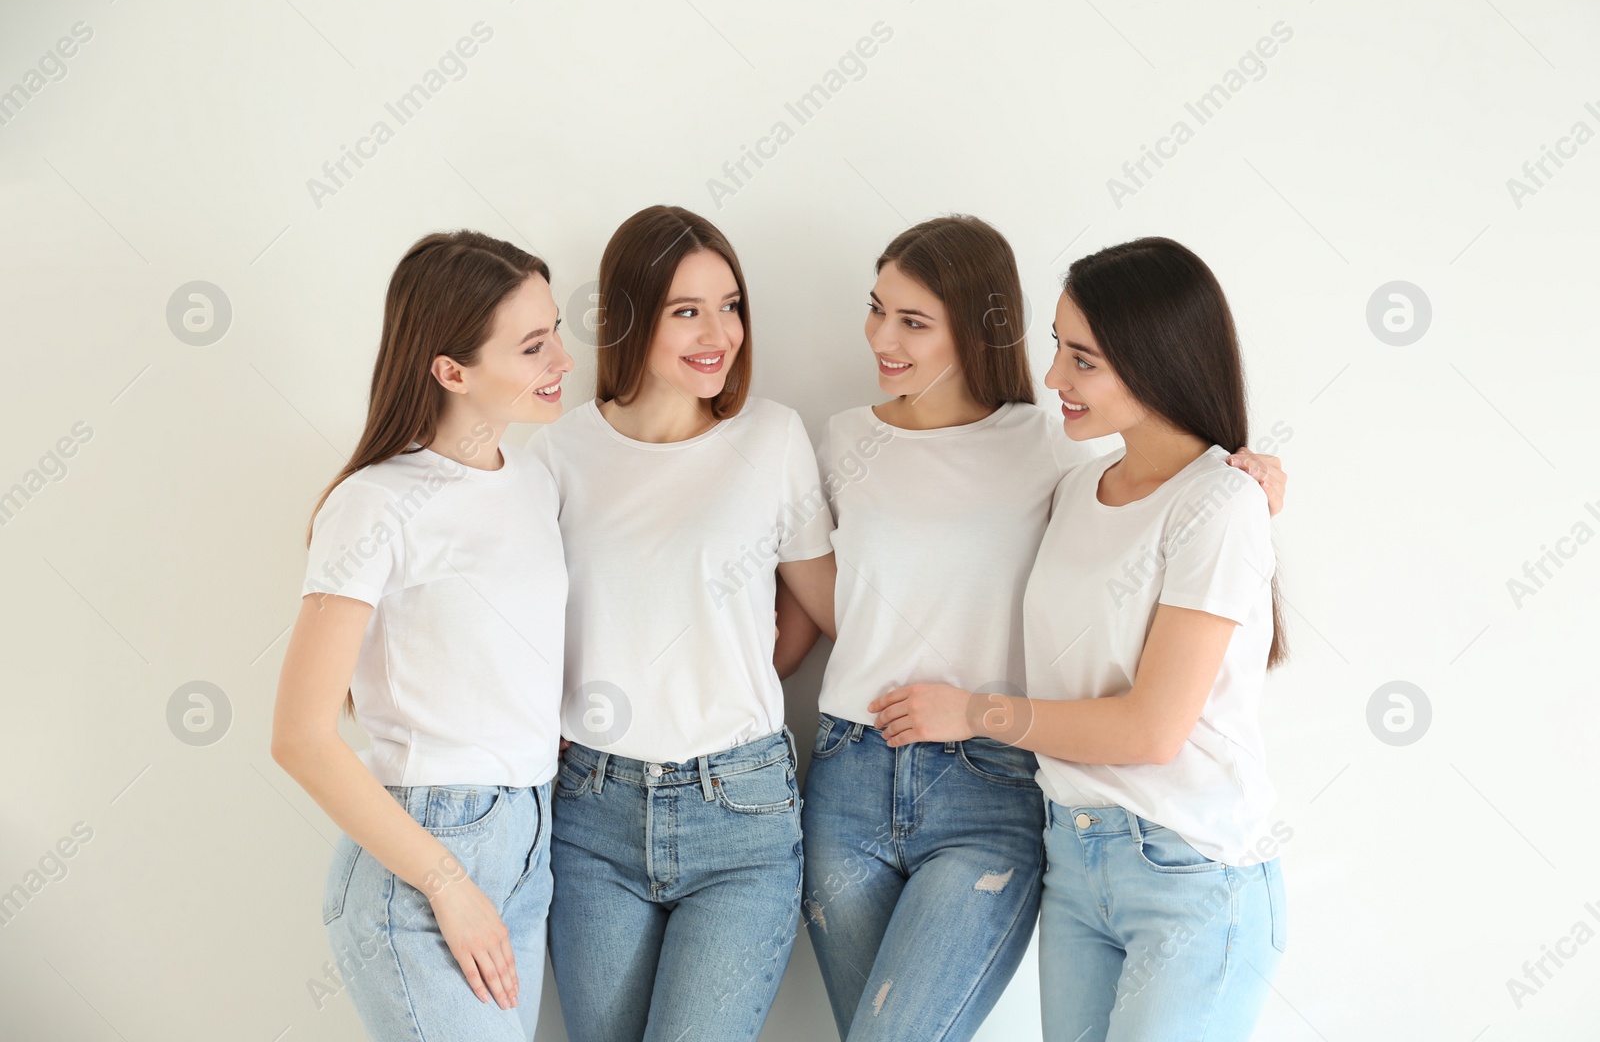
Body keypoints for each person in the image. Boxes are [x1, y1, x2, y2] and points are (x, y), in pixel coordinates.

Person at [868, 236, 1289, 1041]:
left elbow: (1149, 730)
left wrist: (976, 714)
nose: (1055, 377)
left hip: (1192, 875)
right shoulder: (1072, 491)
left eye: (1083, 360)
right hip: (1075, 859)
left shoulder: (1220, 503)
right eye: (1057, 346)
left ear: (1159, 361)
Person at [530, 205, 836, 1042]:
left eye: (730, 305)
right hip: (593, 811)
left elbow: (821, 604)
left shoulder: (771, 439)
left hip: (740, 813)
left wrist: (728, 671)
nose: (718, 333)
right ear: (628, 319)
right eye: (686, 310)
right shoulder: (558, 454)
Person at [271, 230, 573, 1040]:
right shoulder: (374, 504)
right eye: (534, 345)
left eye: (557, 334)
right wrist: (447, 883)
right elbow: (300, 738)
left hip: (528, 841)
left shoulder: (535, 481)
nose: (563, 362)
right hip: (426, 858)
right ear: (451, 371)